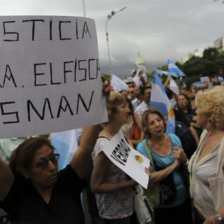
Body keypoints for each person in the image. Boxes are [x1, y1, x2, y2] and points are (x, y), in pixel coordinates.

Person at [0, 79, 111, 224]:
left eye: (53, 158)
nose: (52, 167)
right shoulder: (16, 194)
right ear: (25, 171)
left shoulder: (67, 183)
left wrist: (98, 100)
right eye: (42, 164)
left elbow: (85, 149)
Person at [137, 108, 192, 224]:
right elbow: (149, 179)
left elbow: (185, 164)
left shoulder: (174, 138)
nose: (157, 125)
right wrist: (175, 164)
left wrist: (184, 159)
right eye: (152, 123)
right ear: (146, 128)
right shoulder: (142, 148)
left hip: (184, 198)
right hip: (163, 204)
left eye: (159, 120)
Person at [90, 92, 136, 224]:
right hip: (114, 215)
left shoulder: (118, 133)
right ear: (110, 113)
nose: (128, 110)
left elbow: (127, 144)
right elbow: (96, 186)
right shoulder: (104, 146)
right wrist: (130, 183)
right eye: (123, 106)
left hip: (126, 206)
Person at [188, 86, 224, 224]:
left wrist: (218, 217)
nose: (195, 111)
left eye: (198, 108)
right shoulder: (205, 133)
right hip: (199, 212)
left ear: (211, 115)